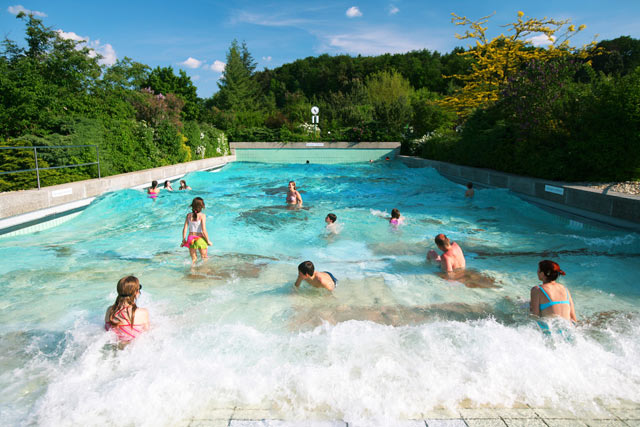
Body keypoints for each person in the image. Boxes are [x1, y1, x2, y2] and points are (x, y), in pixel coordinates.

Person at [105, 276, 149, 342]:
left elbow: (106, 330)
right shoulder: (143, 313)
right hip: (132, 348)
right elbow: (147, 333)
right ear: (136, 292)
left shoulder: (110, 310)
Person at [181, 197, 213, 264]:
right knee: (204, 257)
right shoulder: (202, 216)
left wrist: (184, 240)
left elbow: (185, 228)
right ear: (202, 206)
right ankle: (204, 271)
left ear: (192, 205)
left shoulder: (188, 215)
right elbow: (204, 230)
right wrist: (208, 241)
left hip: (190, 238)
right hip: (199, 238)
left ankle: (192, 272)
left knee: (194, 259)